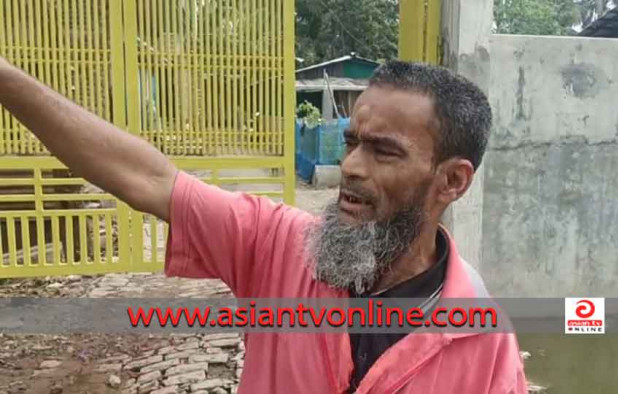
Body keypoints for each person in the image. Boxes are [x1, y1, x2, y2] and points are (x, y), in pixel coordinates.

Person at [0, 57, 527, 393]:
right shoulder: (277, 245)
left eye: (383, 152)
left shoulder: (482, 339)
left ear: (452, 181)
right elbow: (148, 179)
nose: (351, 167)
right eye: (351, 143)